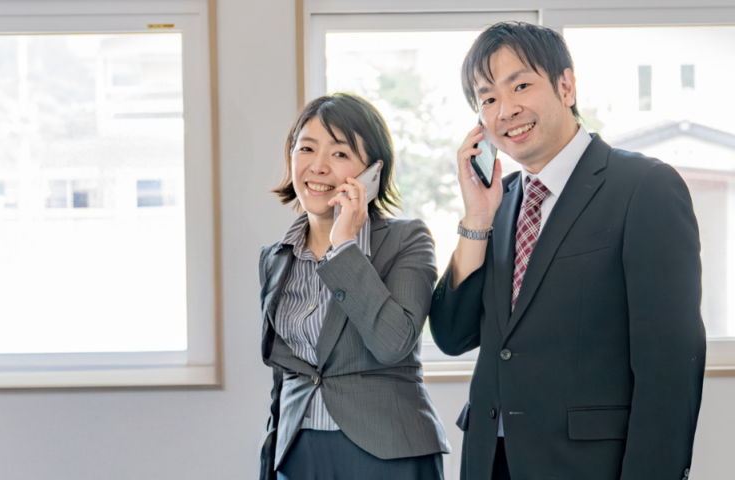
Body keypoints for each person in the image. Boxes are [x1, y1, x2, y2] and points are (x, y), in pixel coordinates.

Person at [429, 21, 705, 480]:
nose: (506, 109)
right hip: (489, 461)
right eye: (489, 99)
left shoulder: (645, 188)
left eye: (520, 85)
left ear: (566, 85)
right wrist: (477, 219)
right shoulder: (499, 201)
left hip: (587, 465)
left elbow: (671, 369)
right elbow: (453, 336)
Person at [259, 93, 450, 480]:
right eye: (306, 148)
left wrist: (344, 247)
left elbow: (393, 343)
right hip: (298, 452)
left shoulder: (406, 240)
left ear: (373, 172)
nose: (318, 166)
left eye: (341, 154)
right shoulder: (275, 257)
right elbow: (285, 373)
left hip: (386, 452)